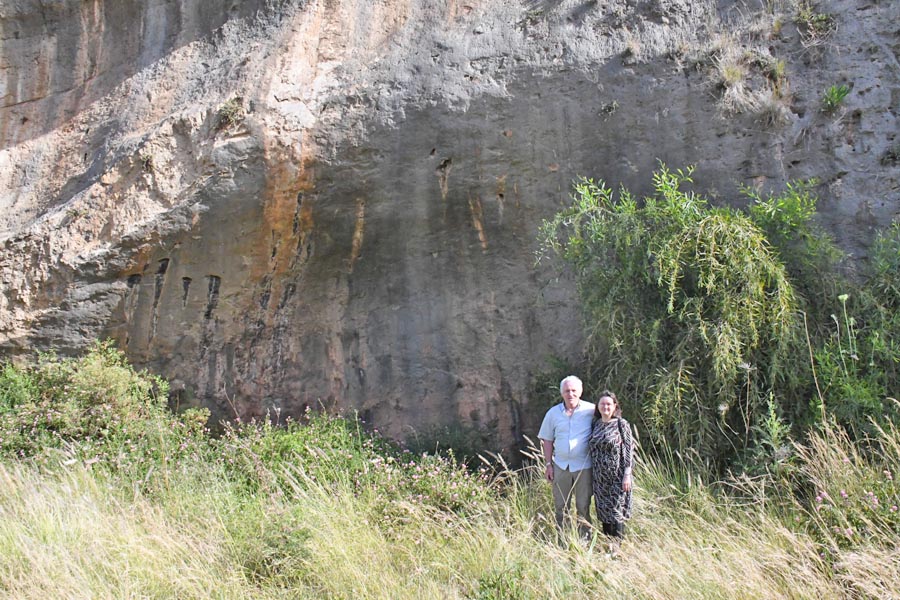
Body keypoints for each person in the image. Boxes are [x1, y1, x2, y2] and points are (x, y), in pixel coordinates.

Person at [538, 375, 595, 538]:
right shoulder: (553, 413)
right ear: (562, 393)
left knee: (583, 505)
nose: (570, 394)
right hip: (561, 466)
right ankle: (562, 538)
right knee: (561, 505)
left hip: (584, 466)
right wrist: (548, 464)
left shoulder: (591, 411)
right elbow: (547, 439)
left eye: (573, 390)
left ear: (581, 391)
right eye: (567, 391)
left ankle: (584, 539)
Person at [589, 390, 634, 546]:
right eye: (602, 403)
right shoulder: (596, 424)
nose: (605, 407)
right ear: (598, 406)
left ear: (615, 406)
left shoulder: (622, 424)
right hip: (600, 479)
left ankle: (617, 548)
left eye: (609, 404)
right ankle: (608, 545)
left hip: (617, 476)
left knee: (617, 512)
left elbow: (629, 450)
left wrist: (627, 474)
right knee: (604, 512)